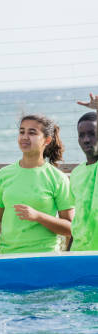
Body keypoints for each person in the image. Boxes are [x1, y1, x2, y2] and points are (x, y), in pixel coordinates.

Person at [0, 114, 74, 254]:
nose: (24, 137)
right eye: (22, 132)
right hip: (8, 256)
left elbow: (69, 228)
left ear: (47, 140)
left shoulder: (57, 178)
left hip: (44, 256)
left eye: (32, 133)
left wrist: (38, 216)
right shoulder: (4, 175)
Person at [69, 94, 98, 251]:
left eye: (92, 134)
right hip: (79, 253)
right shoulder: (76, 173)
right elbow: (78, 220)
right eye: (82, 135)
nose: (86, 139)